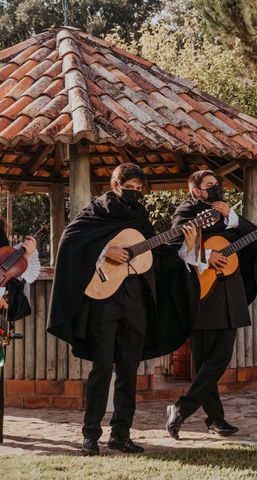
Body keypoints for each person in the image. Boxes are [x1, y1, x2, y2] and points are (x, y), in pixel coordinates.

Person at [48, 164, 196, 456]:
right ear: (116, 185)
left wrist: (183, 247)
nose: (136, 192)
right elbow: (71, 241)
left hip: (135, 299)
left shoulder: (140, 217)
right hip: (104, 299)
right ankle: (90, 434)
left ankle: (121, 433)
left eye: (140, 188)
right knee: (102, 367)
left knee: (129, 367)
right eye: (131, 186)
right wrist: (104, 251)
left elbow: (155, 255)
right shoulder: (96, 211)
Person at [166, 170, 257, 438]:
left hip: (231, 293)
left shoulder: (229, 216)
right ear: (196, 190)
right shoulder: (186, 212)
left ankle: (182, 407)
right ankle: (215, 419)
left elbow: (256, 239)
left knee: (219, 359)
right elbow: (177, 248)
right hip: (203, 293)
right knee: (204, 361)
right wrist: (208, 255)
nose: (216, 188)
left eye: (217, 184)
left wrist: (232, 217)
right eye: (209, 185)